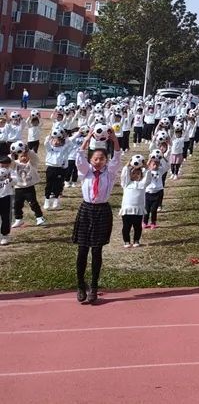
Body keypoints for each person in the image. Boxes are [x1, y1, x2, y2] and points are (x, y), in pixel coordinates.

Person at [72, 129, 122, 304]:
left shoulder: (110, 172)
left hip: (102, 211)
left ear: (106, 160)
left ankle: (94, 286)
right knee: (82, 249)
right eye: (96, 158)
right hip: (86, 210)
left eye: (102, 159)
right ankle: (80, 285)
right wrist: (86, 138)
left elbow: (117, 156)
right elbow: (79, 156)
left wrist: (114, 140)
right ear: (91, 160)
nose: (99, 161)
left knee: (97, 250)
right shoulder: (85, 171)